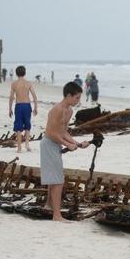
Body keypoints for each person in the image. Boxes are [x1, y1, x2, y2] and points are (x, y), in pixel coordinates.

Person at [41, 82, 90, 221]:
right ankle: (57, 215)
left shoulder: (69, 111)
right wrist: (67, 145)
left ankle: (49, 206)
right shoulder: (57, 109)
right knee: (58, 180)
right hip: (48, 144)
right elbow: (51, 133)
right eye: (77, 98)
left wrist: (77, 143)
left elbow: (63, 132)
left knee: (54, 177)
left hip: (55, 144)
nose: (78, 101)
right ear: (69, 95)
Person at [8, 65, 39, 153]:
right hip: (27, 106)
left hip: (18, 106)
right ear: (24, 73)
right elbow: (34, 96)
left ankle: (19, 148)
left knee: (18, 126)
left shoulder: (14, 84)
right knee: (27, 125)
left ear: (16, 74)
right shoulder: (28, 83)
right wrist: (35, 107)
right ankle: (27, 145)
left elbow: (11, 97)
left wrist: (10, 108)